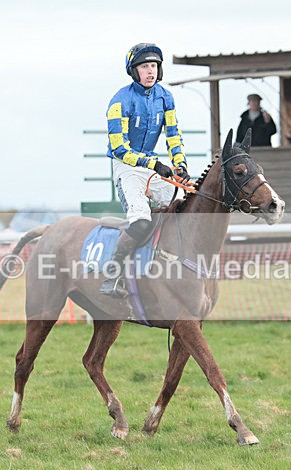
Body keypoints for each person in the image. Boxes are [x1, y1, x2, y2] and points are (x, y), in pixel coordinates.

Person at [101, 42, 190, 298]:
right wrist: (155, 164)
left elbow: (173, 135)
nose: (150, 71)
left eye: (153, 66)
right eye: (144, 66)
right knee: (141, 223)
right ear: (134, 71)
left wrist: (180, 164)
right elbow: (119, 149)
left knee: (186, 208)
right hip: (128, 168)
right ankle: (112, 275)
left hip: (154, 166)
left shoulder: (166, 97)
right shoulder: (120, 100)